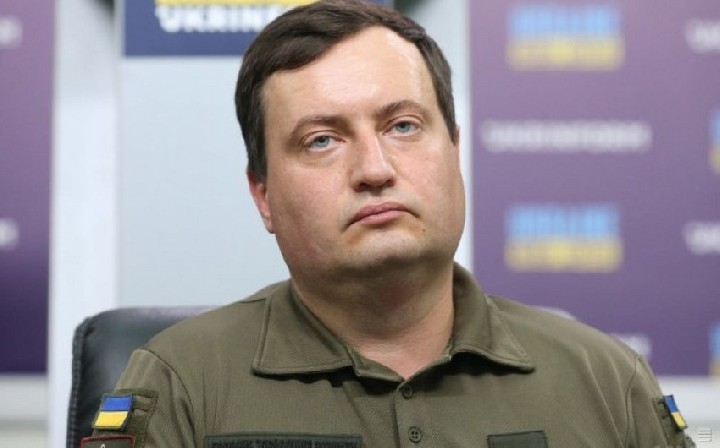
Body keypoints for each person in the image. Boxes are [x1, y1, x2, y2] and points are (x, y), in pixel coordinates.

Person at [86, 1, 695, 447]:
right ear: (263, 195)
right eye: (322, 140)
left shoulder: (605, 380)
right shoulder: (181, 386)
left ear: (454, 151)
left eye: (403, 126)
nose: (374, 170)